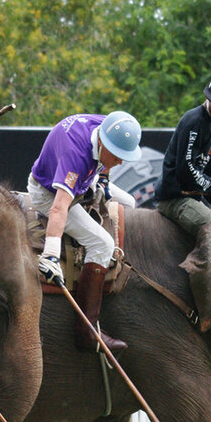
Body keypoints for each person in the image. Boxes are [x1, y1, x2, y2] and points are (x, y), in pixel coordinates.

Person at [30, 111, 142, 352]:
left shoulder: (108, 126)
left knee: (130, 203)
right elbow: (59, 207)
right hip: (48, 193)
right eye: (118, 156)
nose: (121, 162)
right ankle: (87, 332)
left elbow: (104, 161)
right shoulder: (76, 155)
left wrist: (101, 180)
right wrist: (49, 255)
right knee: (102, 243)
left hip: (86, 179)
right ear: (102, 143)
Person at [154, 71, 211, 236]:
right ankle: (198, 263)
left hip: (194, 196)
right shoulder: (194, 121)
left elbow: (209, 169)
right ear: (210, 99)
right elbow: (185, 169)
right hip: (175, 197)